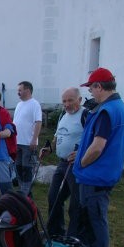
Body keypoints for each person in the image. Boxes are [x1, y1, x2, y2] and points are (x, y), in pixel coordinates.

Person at [73, 67, 124, 247]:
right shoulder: (118, 107)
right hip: (102, 174)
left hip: (95, 176)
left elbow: (97, 147)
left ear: (99, 86)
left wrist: (82, 164)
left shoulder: (106, 111)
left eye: (91, 88)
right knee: (93, 220)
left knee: (95, 221)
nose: (90, 93)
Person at [40, 87, 86, 237]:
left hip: (77, 165)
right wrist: (49, 149)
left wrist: (81, 153)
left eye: (70, 100)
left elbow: (92, 139)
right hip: (62, 163)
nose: (66, 104)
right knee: (53, 197)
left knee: (75, 204)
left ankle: (74, 236)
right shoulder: (62, 115)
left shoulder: (86, 115)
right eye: (64, 101)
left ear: (79, 100)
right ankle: (54, 232)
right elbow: (57, 137)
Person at [13, 81, 42, 195]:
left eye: (20, 90)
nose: (18, 92)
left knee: (27, 168)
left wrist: (34, 139)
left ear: (28, 90)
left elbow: (38, 122)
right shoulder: (19, 105)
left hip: (28, 143)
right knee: (18, 167)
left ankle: (26, 192)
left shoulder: (34, 104)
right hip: (17, 142)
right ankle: (22, 190)